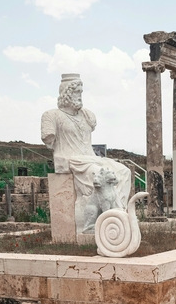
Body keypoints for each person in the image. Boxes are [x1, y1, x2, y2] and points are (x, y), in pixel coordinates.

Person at [41, 74, 131, 233]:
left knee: (124, 171)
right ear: (66, 94)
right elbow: (48, 139)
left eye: (81, 92)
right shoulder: (51, 115)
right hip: (72, 159)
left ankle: (118, 212)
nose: (80, 95)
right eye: (76, 92)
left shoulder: (87, 115)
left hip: (91, 157)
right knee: (99, 177)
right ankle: (107, 222)